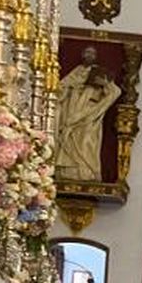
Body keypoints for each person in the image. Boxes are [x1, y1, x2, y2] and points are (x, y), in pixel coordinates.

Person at [56, 46, 121, 182]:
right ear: (82, 55)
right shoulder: (76, 72)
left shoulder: (99, 73)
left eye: (92, 53)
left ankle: (86, 172)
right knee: (68, 140)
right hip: (72, 110)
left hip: (89, 114)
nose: (89, 55)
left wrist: (104, 84)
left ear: (96, 56)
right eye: (86, 52)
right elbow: (60, 88)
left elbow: (115, 92)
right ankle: (66, 172)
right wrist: (70, 87)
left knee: (87, 142)